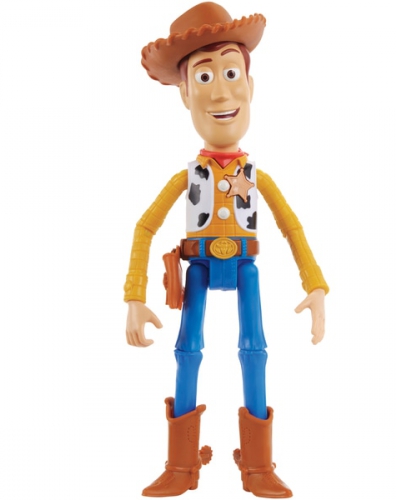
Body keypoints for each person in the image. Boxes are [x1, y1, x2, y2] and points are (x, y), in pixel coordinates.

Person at [124, 3, 329, 497]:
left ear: (250, 86)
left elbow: (292, 227)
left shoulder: (256, 177)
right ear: (185, 94)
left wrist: (316, 285)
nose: (220, 92)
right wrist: (135, 294)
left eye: (231, 73)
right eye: (204, 76)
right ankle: (181, 464)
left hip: (244, 266)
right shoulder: (188, 177)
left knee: (254, 350)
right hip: (197, 265)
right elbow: (145, 226)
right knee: (187, 350)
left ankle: (257, 465)